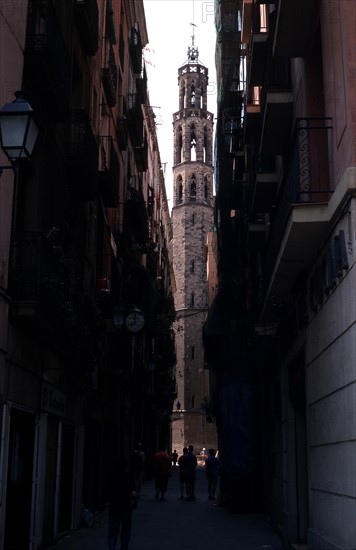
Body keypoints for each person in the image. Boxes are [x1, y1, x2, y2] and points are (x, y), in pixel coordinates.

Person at [108, 456, 137, 550]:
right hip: (126, 507)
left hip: (114, 507)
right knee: (125, 533)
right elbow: (133, 493)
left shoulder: (112, 477)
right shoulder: (129, 477)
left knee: (112, 532)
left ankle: (111, 548)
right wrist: (133, 501)